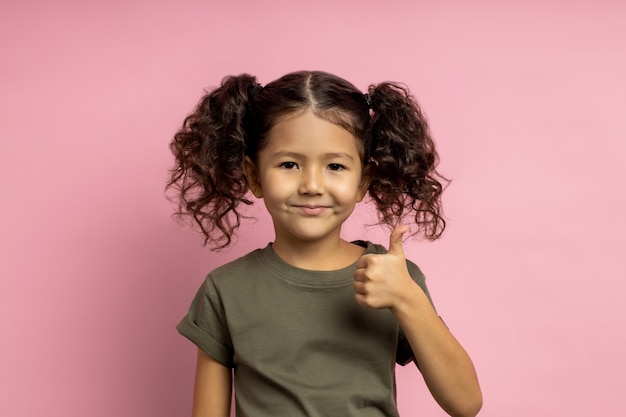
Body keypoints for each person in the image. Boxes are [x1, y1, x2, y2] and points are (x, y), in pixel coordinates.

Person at [167, 70, 482, 417]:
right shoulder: (225, 290)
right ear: (255, 176)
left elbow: (465, 404)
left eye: (335, 165)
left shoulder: (394, 279)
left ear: (363, 181)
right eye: (289, 164)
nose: (312, 185)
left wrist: (408, 300)